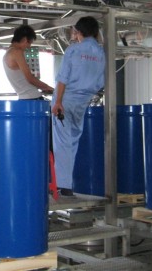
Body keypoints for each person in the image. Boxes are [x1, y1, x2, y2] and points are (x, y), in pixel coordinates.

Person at [51, 16, 105, 196]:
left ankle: (63, 185)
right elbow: (101, 82)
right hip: (83, 102)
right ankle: (67, 183)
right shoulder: (101, 53)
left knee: (62, 143)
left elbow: (63, 78)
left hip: (65, 101)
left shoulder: (73, 50)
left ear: (78, 31)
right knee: (73, 141)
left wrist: (58, 102)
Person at [3, 25, 54, 99]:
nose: (29, 46)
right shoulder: (17, 52)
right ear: (24, 39)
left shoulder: (7, 54)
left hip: (23, 98)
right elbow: (30, 78)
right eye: (29, 43)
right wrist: (48, 87)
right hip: (32, 97)